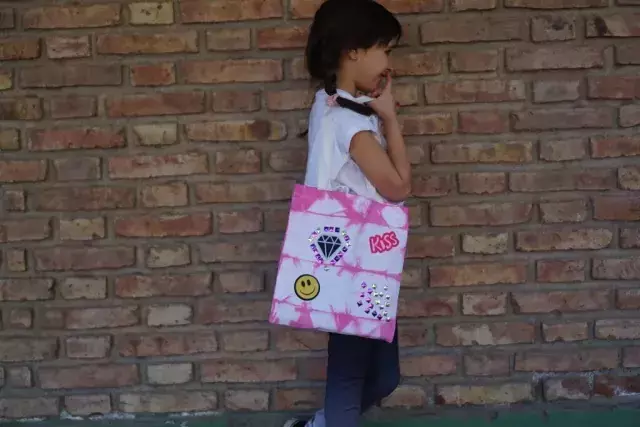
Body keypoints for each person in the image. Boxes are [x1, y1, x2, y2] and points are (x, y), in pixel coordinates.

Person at [284, 1, 412, 426]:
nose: (388, 62)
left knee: (383, 376)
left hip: (363, 263)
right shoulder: (348, 124)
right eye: (384, 50)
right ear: (353, 51)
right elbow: (399, 187)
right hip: (352, 265)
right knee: (351, 376)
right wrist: (390, 118)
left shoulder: (329, 102)